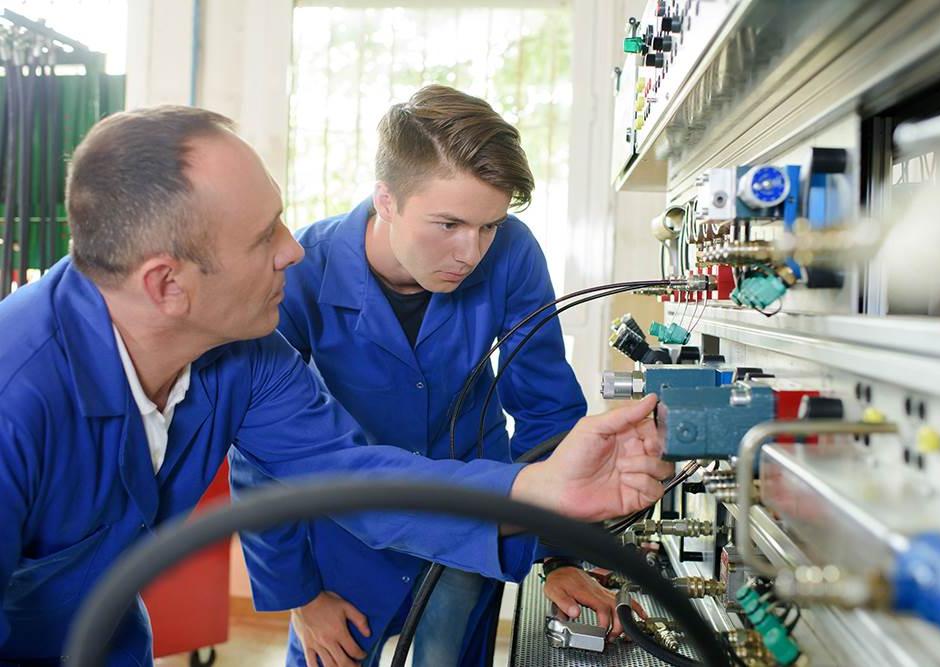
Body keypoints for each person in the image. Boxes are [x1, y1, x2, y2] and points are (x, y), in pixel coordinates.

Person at [0, 106, 670, 666]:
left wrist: (545, 492)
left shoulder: (248, 358)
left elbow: (354, 475)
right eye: (266, 236)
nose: (294, 250)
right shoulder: (14, 396)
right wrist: (300, 592)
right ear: (167, 284)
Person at [232, 85, 639, 667]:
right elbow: (261, 448)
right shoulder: (301, 271)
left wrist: (558, 554)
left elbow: (545, 409)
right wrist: (300, 595)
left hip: (473, 519)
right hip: (348, 534)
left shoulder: (513, 253)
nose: (471, 252)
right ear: (387, 200)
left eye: (489, 226)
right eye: (448, 224)